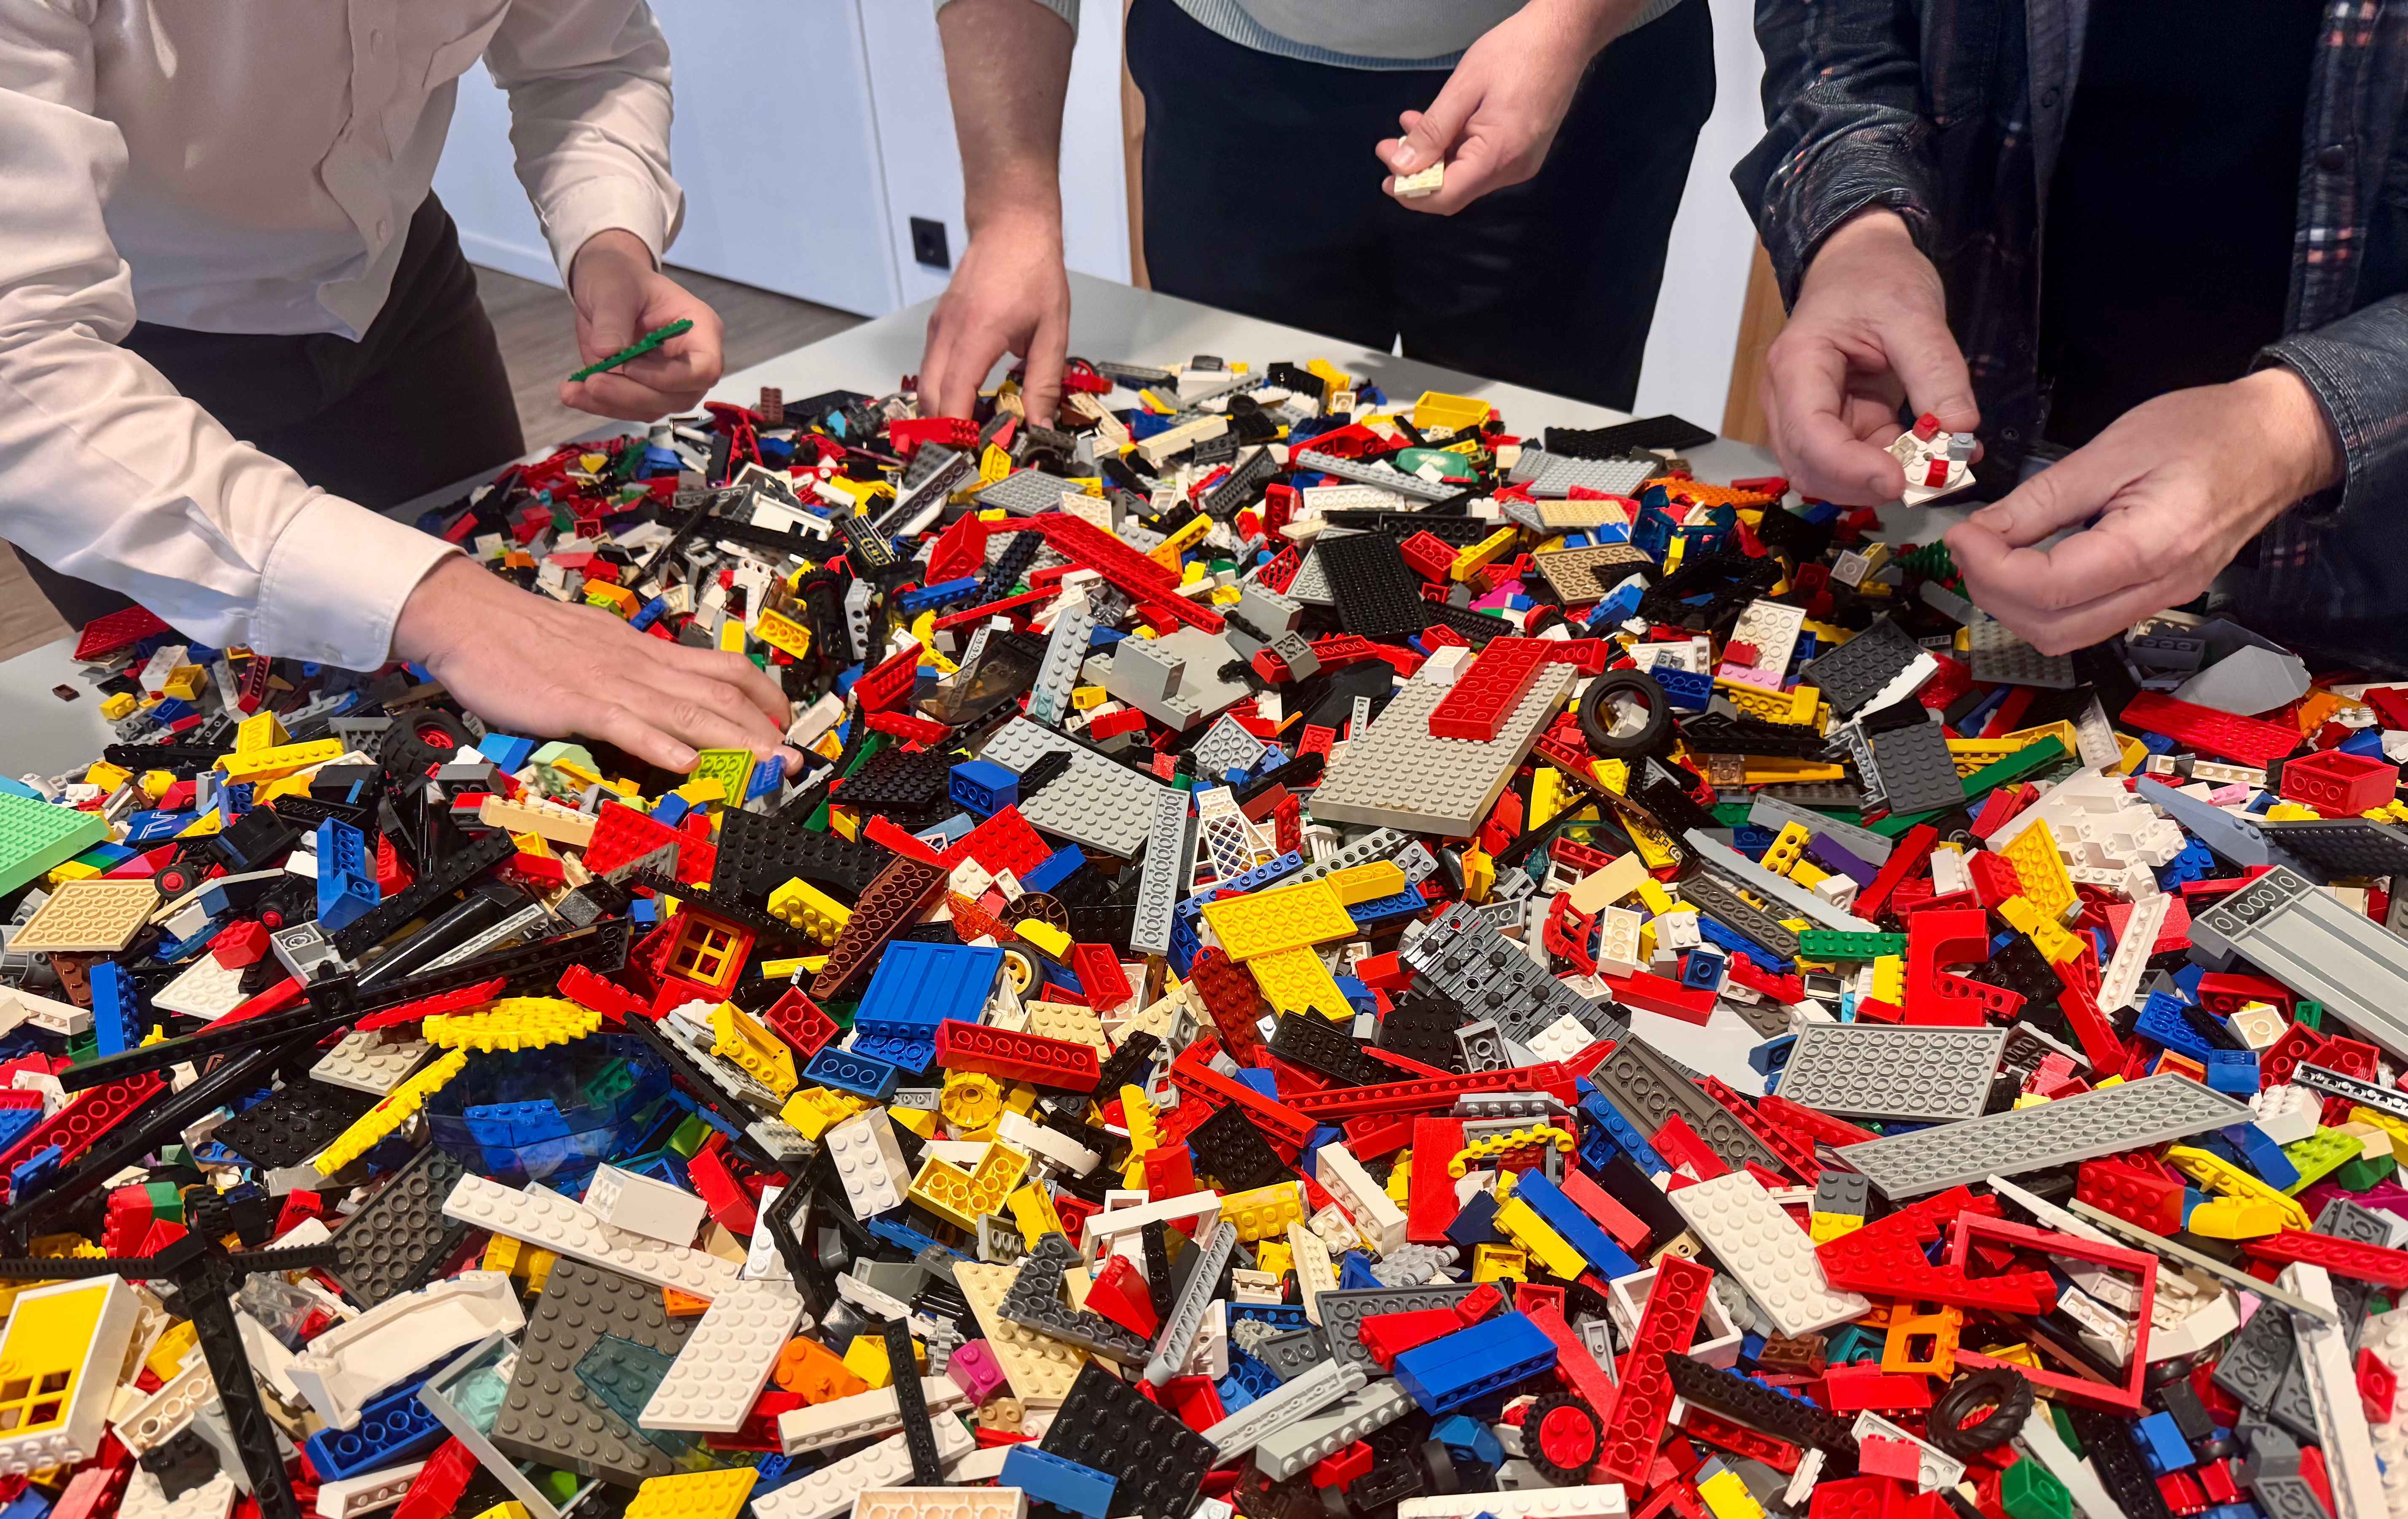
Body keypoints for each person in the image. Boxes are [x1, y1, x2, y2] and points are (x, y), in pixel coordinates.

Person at [0, 0, 793, 773]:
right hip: (110, 377)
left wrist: (610, 243)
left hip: (398, 293)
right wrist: (448, 609)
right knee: (197, 730)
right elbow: (16, 358)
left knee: (504, 570)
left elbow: (589, 60)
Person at [1734, 0, 2408, 669]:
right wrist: (1858, 233)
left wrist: (2295, 431)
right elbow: (1836, 35)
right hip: (1957, 472)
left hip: (2352, 586)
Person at [920, 0, 1714, 424]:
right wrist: (1010, 211)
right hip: (1233, 74)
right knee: (1227, 446)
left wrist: (1571, 21)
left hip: (1590, 72)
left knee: (1536, 477)